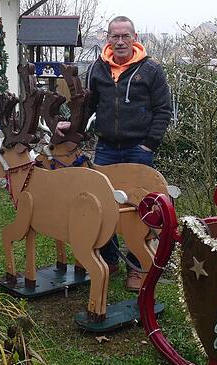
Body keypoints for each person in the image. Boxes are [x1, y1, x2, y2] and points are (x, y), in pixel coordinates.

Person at [58, 15, 172, 291]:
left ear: (135, 38)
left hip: (138, 150)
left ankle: (137, 266)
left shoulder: (151, 71)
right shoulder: (98, 69)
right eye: (115, 36)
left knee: (137, 208)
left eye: (125, 36)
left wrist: (149, 145)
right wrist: (71, 124)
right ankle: (109, 259)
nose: (120, 41)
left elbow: (164, 111)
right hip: (107, 148)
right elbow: (88, 106)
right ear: (107, 38)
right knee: (103, 203)